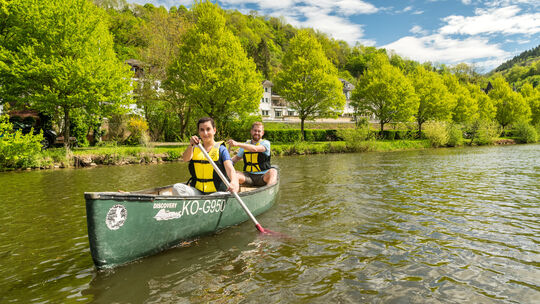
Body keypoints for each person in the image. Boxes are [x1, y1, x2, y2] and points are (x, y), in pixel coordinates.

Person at [176, 117, 239, 196]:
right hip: (198, 191)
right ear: (199, 132)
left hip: (216, 192)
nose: (205, 133)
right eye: (202, 130)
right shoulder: (194, 148)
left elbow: (230, 169)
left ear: (214, 130)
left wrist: (233, 182)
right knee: (176, 187)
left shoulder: (221, 149)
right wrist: (190, 145)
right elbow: (185, 159)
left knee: (217, 195)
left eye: (208, 129)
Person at [228, 121, 277, 187]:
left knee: (273, 172)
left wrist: (237, 144)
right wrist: (226, 163)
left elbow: (255, 149)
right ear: (251, 131)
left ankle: (269, 192)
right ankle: (233, 192)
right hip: (248, 176)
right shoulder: (245, 145)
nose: (256, 133)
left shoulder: (266, 143)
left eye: (259, 131)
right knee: (235, 174)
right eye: (255, 130)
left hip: (263, 176)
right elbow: (236, 158)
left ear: (262, 133)